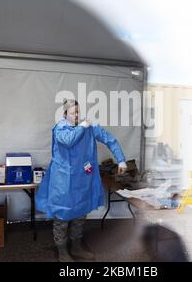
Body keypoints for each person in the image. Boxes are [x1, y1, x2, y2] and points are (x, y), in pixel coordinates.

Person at [36, 99, 127, 262]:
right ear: (65, 114)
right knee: (62, 216)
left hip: (82, 180)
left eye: (78, 111)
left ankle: (77, 247)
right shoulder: (60, 128)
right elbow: (68, 140)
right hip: (63, 182)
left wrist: (121, 159)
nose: (76, 115)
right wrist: (82, 127)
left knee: (80, 214)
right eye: (73, 113)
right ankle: (62, 251)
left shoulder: (88, 127)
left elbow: (109, 139)